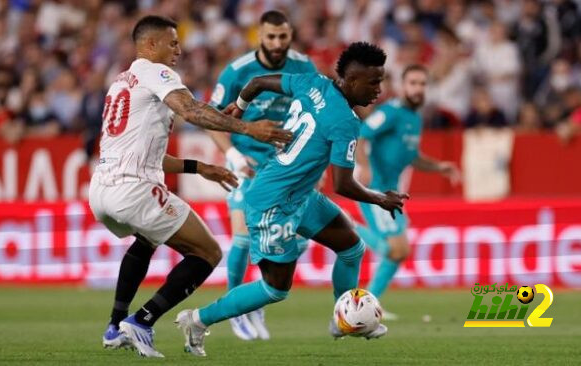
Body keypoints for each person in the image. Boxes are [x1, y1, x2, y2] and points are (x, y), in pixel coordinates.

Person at [174, 42, 409, 357]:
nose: (379, 90)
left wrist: (240, 107)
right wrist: (381, 199)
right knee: (275, 289)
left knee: (352, 246)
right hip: (272, 203)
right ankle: (198, 320)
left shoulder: (314, 83)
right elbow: (342, 184)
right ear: (352, 81)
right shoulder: (346, 122)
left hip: (299, 194)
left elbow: (257, 83)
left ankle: (344, 319)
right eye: (374, 82)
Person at [89, 15, 291, 358]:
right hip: (134, 190)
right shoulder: (156, 72)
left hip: (102, 191)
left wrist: (201, 168)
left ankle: (115, 326)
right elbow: (193, 111)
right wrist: (250, 129)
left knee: (147, 238)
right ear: (150, 45)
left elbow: (147, 155)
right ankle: (142, 321)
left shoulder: (120, 83)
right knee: (208, 252)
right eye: (172, 42)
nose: (178, 50)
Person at [207, 10, 317, 341]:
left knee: (301, 237)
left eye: (283, 36)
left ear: (290, 35)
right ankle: (234, 310)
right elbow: (210, 118)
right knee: (242, 236)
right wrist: (232, 154)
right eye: (271, 37)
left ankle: (256, 298)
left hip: (288, 166)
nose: (277, 43)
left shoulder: (304, 67)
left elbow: (318, 113)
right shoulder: (238, 72)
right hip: (248, 164)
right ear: (260, 36)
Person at [356, 65, 461, 319]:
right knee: (395, 249)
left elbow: (412, 157)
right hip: (374, 190)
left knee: (400, 251)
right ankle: (349, 227)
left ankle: (368, 305)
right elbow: (361, 134)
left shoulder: (415, 119)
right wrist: (365, 166)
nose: (418, 88)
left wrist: (439, 167)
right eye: (413, 83)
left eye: (423, 84)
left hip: (390, 194)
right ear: (403, 86)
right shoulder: (391, 112)